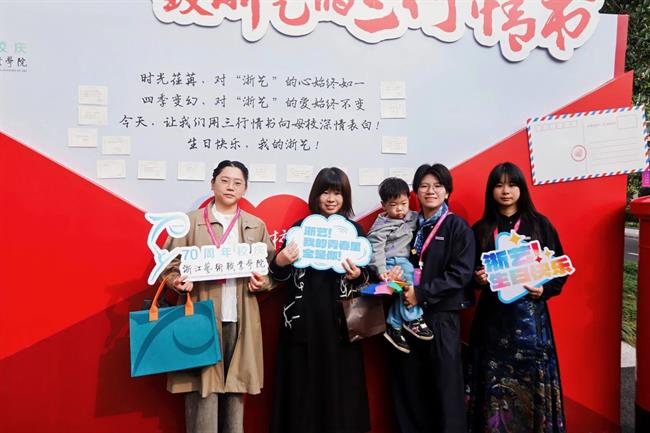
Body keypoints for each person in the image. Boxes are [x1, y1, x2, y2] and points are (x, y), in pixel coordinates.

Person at [161, 160, 276, 433]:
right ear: (212, 183)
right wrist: (177, 281)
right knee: (203, 389)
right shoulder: (190, 223)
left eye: (237, 183)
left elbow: (271, 271)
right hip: (201, 317)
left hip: (240, 318)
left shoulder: (255, 225)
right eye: (224, 180)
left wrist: (264, 283)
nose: (230, 187)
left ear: (245, 189)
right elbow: (168, 265)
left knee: (235, 388)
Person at [466, 162, 568, 433]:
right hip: (491, 325)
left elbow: (559, 268)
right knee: (492, 386)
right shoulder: (481, 229)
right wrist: (477, 279)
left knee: (531, 384)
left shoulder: (539, 225)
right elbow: (467, 274)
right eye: (499, 185)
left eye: (512, 185)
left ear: (521, 188)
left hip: (532, 325)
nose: (506, 191)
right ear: (491, 190)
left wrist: (544, 290)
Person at [269, 167, 371, 433]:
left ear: (345, 197)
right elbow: (279, 275)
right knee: (302, 389)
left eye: (337, 193)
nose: (331, 199)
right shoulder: (299, 230)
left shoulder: (354, 231)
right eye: (325, 192)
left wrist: (358, 274)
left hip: (341, 326)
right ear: (315, 195)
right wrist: (280, 261)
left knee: (340, 390)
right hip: (303, 324)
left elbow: (368, 278)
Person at [389, 163, 475, 433]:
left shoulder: (456, 226)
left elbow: (461, 274)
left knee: (445, 388)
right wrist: (392, 277)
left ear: (447, 192)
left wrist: (422, 293)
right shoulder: (406, 226)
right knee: (410, 387)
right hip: (406, 315)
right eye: (424, 186)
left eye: (438, 186)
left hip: (441, 317)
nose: (431, 191)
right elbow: (395, 260)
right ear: (415, 192)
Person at [367, 177, 433, 354]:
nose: (400, 209)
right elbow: (375, 249)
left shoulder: (413, 217)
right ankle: (414, 319)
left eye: (404, 204)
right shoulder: (381, 226)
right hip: (391, 263)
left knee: (404, 288)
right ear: (383, 205)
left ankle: (394, 325)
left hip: (405, 261)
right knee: (407, 281)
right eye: (394, 205)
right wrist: (381, 271)